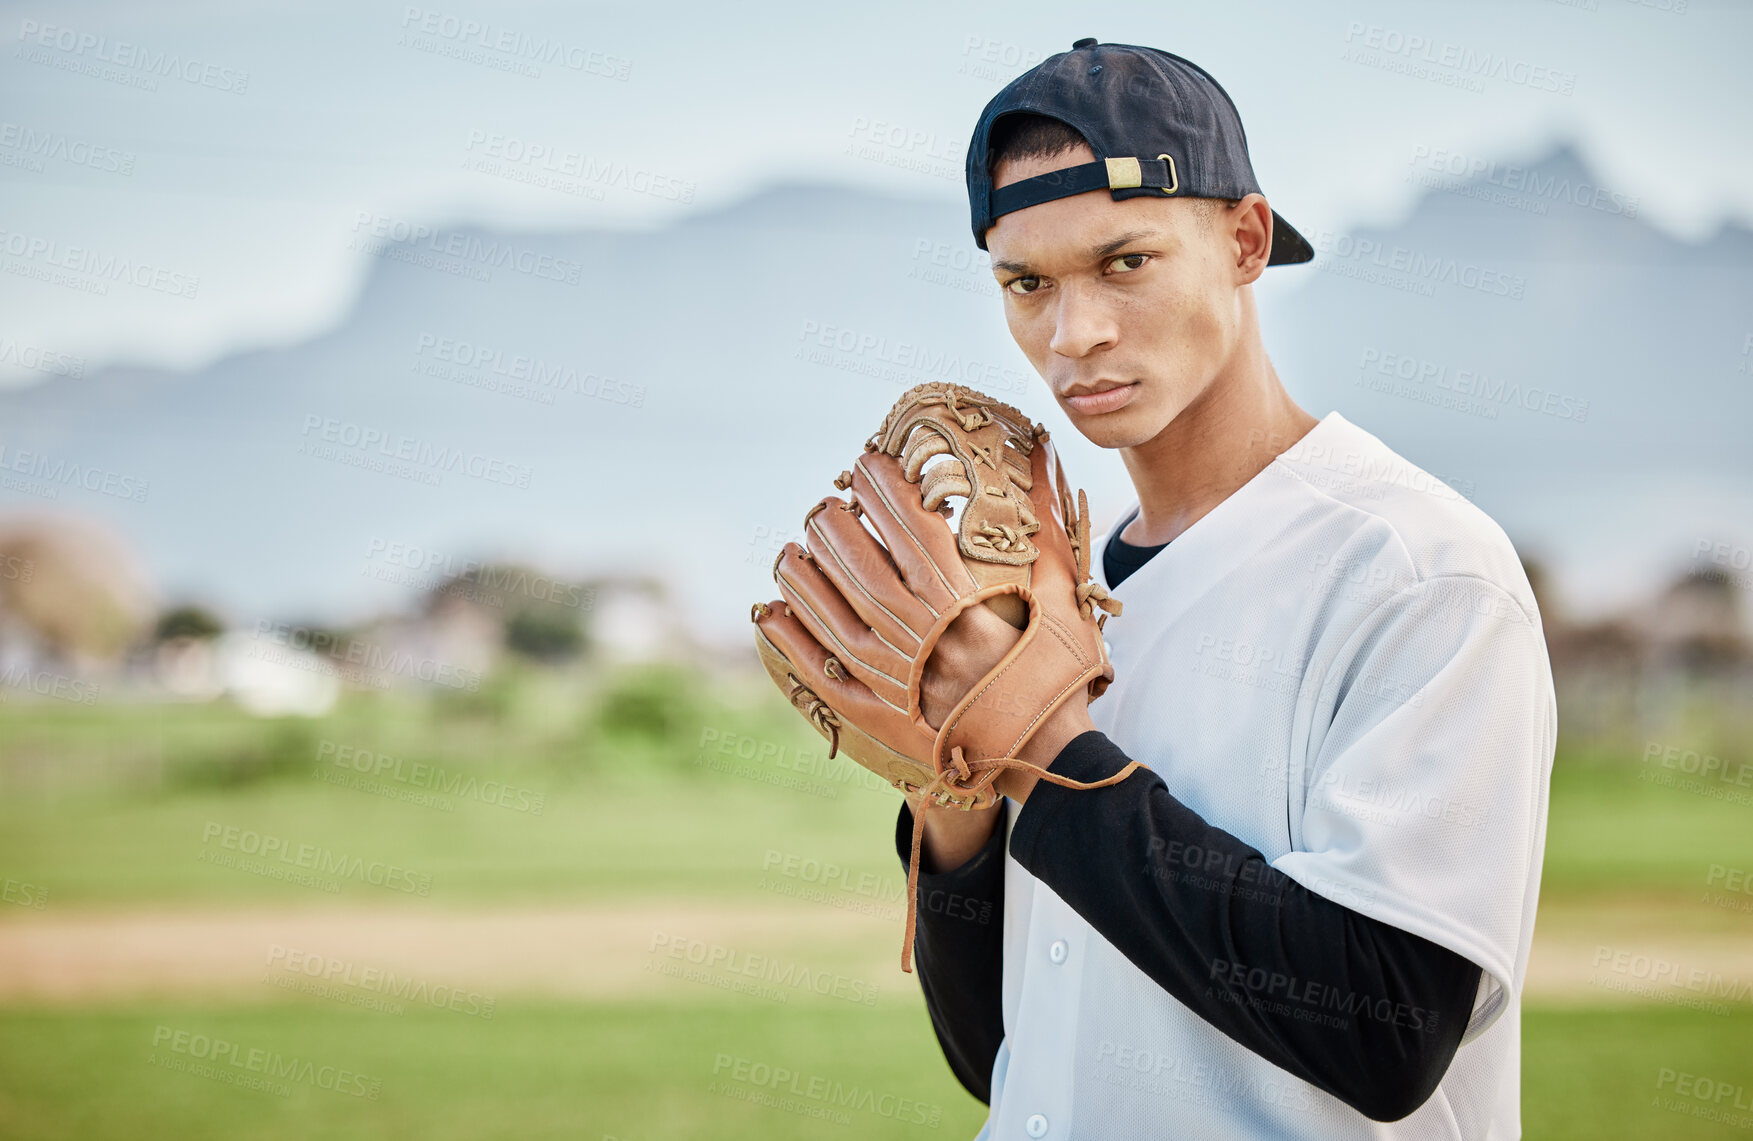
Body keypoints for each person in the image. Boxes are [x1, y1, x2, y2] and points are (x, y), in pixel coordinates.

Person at [898, 39, 1556, 1139]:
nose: (1074, 335)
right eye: (1027, 284)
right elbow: (1003, 1056)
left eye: (1125, 263)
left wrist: (1049, 757)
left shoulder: (1416, 568)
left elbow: (1386, 1029)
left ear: (1244, 241)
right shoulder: (1048, 586)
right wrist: (951, 809)